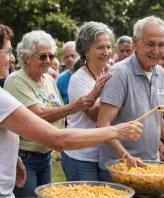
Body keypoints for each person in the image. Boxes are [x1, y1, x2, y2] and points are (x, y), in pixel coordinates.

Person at [0, 24, 143, 198]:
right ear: (27, 57)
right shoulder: (15, 82)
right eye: (42, 56)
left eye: (51, 56)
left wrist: (13, 157)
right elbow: (42, 118)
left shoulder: (48, 79)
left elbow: (60, 115)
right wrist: (113, 125)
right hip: (35, 154)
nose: (48, 61)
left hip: (43, 156)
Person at [96, 16, 164, 197]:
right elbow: (103, 124)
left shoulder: (160, 72)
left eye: (161, 44)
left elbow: (161, 114)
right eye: (150, 44)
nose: (156, 51)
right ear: (135, 42)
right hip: (120, 170)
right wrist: (126, 158)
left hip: (150, 167)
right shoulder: (119, 74)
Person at [61, 21, 115, 181]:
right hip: (81, 157)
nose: (106, 52)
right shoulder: (79, 79)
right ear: (86, 50)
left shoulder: (107, 72)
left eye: (109, 46)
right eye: (100, 47)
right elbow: (93, 115)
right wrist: (104, 93)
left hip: (103, 155)